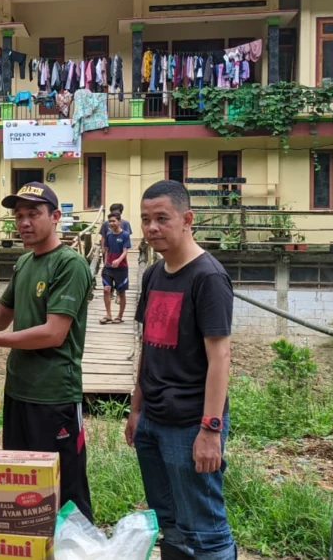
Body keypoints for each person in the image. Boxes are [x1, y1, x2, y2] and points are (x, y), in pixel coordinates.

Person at [0, 182, 94, 521]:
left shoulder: (69, 265)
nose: (25, 222)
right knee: (23, 483)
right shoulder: (25, 263)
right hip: (19, 391)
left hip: (55, 395)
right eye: (18, 216)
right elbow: (2, 319)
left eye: (34, 214)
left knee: (65, 487)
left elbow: (53, 333)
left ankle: (77, 549)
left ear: (55, 216)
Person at [125, 180, 235, 560]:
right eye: (145, 219)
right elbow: (149, 348)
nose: (152, 227)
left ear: (187, 219)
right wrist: (136, 409)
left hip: (191, 423)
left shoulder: (208, 277)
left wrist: (210, 429)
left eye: (161, 218)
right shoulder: (154, 275)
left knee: (204, 529)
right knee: (168, 523)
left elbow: (220, 358)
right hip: (153, 419)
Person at [100, 213, 131, 324]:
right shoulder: (108, 235)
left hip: (121, 268)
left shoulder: (125, 235)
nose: (112, 223)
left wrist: (118, 260)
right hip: (109, 267)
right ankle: (108, 315)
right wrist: (105, 263)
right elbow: (107, 250)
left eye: (113, 221)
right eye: (110, 221)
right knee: (106, 289)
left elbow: (125, 251)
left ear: (119, 221)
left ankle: (119, 316)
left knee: (121, 292)